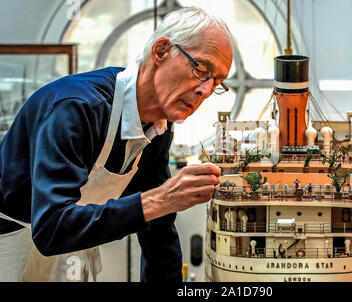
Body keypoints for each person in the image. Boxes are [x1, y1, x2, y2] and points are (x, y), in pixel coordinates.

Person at [0, 7, 236, 282]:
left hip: (70, 251)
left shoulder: (158, 128)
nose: (205, 91)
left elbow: (158, 232)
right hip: (12, 244)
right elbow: (52, 228)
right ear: (160, 50)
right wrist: (160, 199)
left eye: (216, 82)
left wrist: (161, 204)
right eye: (200, 69)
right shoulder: (77, 109)